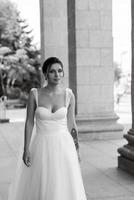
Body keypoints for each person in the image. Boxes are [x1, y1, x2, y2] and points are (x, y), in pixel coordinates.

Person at [8, 57, 87, 200]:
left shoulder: (69, 95)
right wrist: (26, 149)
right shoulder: (35, 94)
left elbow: (72, 125)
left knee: (64, 185)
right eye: (52, 71)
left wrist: (77, 149)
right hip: (41, 145)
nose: (57, 75)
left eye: (59, 71)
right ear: (45, 74)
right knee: (42, 184)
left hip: (64, 147)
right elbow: (29, 122)